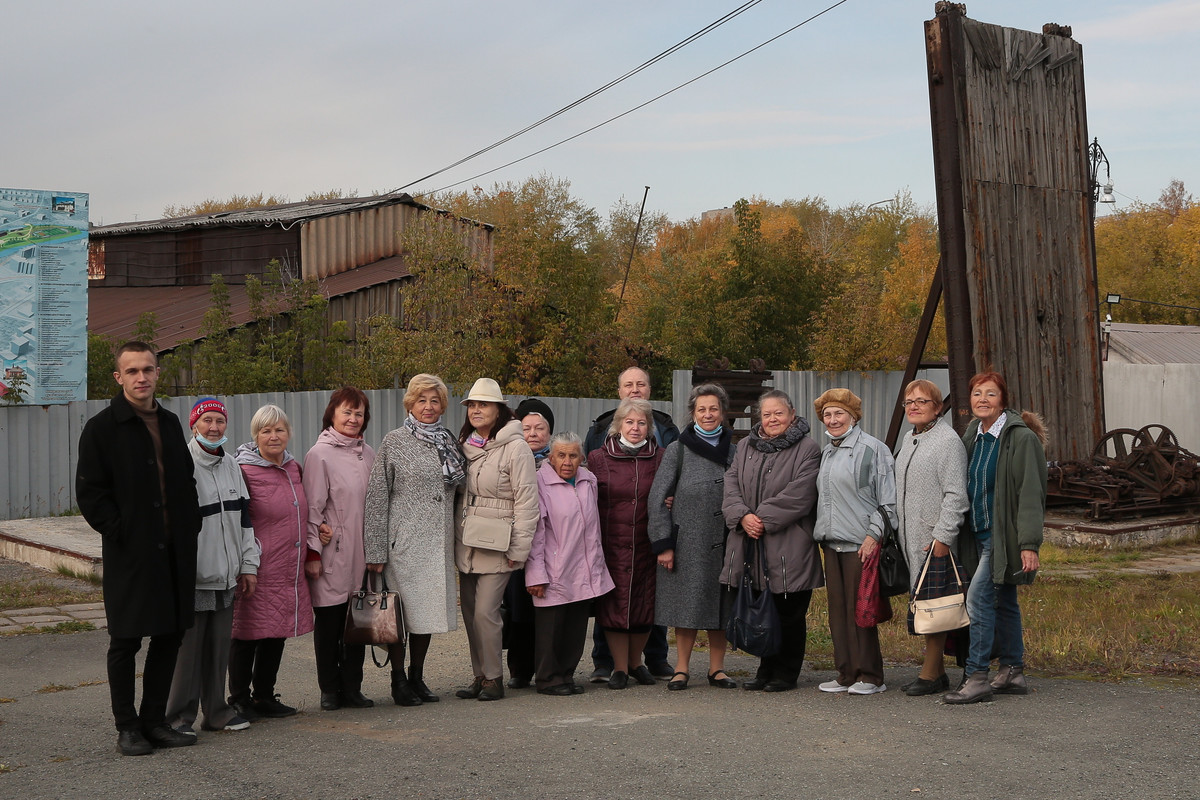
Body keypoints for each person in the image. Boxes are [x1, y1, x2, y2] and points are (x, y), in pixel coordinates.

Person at [76, 341, 202, 755]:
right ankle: (127, 728)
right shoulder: (101, 428)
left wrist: (191, 524)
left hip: (175, 552)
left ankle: (154, 722)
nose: (141, 377)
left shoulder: (170, 422)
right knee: (126, 639)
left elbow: (185, 479)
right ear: (119, 377)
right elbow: (91, 494)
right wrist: (122, 532)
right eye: (132, 371)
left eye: (147, 369)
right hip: (131, 553)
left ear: (157, 373)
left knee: (169, 635)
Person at [943, 372, 1047, 704]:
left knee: (978, 601)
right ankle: (1013, 670)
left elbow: (1031, 494)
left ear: (1003, 400)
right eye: (977, 393)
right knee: (1005, 602)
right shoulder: (973, 435)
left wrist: (1028, 544)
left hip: (1003, 539)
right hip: (978, 535)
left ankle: (976, 677)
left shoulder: (1020, 438)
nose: (983, 399)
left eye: (990, 393)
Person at [364, 374, 465, 707]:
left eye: (434, 400)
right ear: (410, 403)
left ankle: (417, 677)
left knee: (427, 614)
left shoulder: (449, 442)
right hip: (403, 546)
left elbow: (460, 491)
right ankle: (398, 681)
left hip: (437, 545)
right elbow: (377, 496)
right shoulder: (394, 441)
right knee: (399, 617)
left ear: (443, 406)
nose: (428, 406)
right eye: (421, 400)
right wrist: (375, 550)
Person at [166, 397, 259, 736]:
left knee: (218, 650)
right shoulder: (181, 464)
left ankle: (217, 712)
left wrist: (248, 565)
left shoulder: (232, 465)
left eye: (219, 421)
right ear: (194, 426)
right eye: (207, 421)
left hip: (227, 576)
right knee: (188, 653)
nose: (214, 427)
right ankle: (178, 717)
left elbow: (245, 521)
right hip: (195, 577)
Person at [721, 389, 823, 692]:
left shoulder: (808, 449)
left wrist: (762, 518)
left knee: (788, 612)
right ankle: (765, 670)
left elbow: (801, 493)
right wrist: (742, 516)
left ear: (792, 415)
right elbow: (730, 484)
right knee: (762, 607)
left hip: (790, 544)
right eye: (767, 414)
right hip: (751, 543)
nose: (773, 419)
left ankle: (786, 673)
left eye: (779, 413)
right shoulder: (745, 447)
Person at [584, 366, 678, 682]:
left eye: (641, 423)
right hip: (611, 541)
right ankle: (611, 665)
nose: (635, 427)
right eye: (628, 384)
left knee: (647, 603)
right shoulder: (597, 452)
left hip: (648, 541)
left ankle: (643, 662)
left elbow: (675, 486)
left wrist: (673, 500)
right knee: (611, 603)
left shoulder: (664, 449)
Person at [648, 383, 737, 690]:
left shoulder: (736, 451)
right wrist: (663, 544)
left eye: (714, 409)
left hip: (725, 542)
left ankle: (717, 669)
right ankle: (681, 669)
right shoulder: (678, 450)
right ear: (693, 413)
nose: (708, 414)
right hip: (686, 543)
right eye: (702, 409)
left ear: (722, 413)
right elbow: (657, 498)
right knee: (685, 608)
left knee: (721, 607)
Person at [454, 378, 538, 702]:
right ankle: (480, 675)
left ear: (499, 409)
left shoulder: (516, 448)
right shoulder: (465, 444)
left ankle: (494, 678)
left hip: (499, 542)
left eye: (484, 404)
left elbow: (527, 502)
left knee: (485, 613)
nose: (476, 410)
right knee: (470, 613)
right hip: (467, 539)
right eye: (472, 405)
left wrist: (519, 548)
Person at [811, 388, 896, 696]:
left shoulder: (873, 449)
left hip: (861, 545)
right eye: (828, 415)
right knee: (838, 613)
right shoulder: (828, 452)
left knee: (862, 611)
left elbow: (888, 500)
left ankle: (871, 676)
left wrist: (873, 535)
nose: (833, 420)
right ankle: (846, 673)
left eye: (839, 414)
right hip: (832, 544)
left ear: (853, 416)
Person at [230, 404, 313, 720]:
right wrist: (246, 563)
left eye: (279, 429)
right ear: (256, 436)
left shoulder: (294, 468)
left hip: (288, 565)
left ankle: (264, 696)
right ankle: (238, 699)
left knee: (276, 630)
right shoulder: (243, 470)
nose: (273, 436)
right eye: (266, 431)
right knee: (246, 633)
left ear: (288, 433)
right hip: (257, 566)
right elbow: (238, 520)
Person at [893, 379, 969, 697]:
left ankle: (929, 675)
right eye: (909, 402)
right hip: (910, 538)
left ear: (938, 408)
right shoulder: (910, 438)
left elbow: (956, 494)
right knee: (924, 604)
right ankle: (937, 673)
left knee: (934, 604)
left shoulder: (947, 442)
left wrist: (943, 536)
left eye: (922, 401)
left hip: (932, 539)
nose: (914, 406)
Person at [303, 387, 376, 711]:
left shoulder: (368, 453)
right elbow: (312, 509)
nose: (353, 418)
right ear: (332, 414)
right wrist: (313, 553)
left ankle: (353, 687)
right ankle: (329, 689)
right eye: (347, 412)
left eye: (359, 413)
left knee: (357, 624)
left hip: (363, 555)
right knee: (330, 624)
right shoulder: (319, 455)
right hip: (332, 554)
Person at [525, 433, 615, 695]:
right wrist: (535, 574)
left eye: (573, 456)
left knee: (575, 629)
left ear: (582, 458)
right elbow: (536, 533)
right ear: (551, 458)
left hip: (584, 567)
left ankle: (566, 675)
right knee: (551, 630)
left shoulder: (589, 480)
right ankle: (548, 679)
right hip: (553, 568)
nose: (567, 462)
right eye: (561, 455)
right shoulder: (540, 482)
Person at [501, 398, 556, 690]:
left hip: (553, 546)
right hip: (517, 543)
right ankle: (520, 669)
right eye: (526, 428)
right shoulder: (507, 458)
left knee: (549, 609)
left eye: (540, 428)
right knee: (519, 608)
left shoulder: (561, 461)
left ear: (550, 432)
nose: (533, 433)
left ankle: (550, 668)